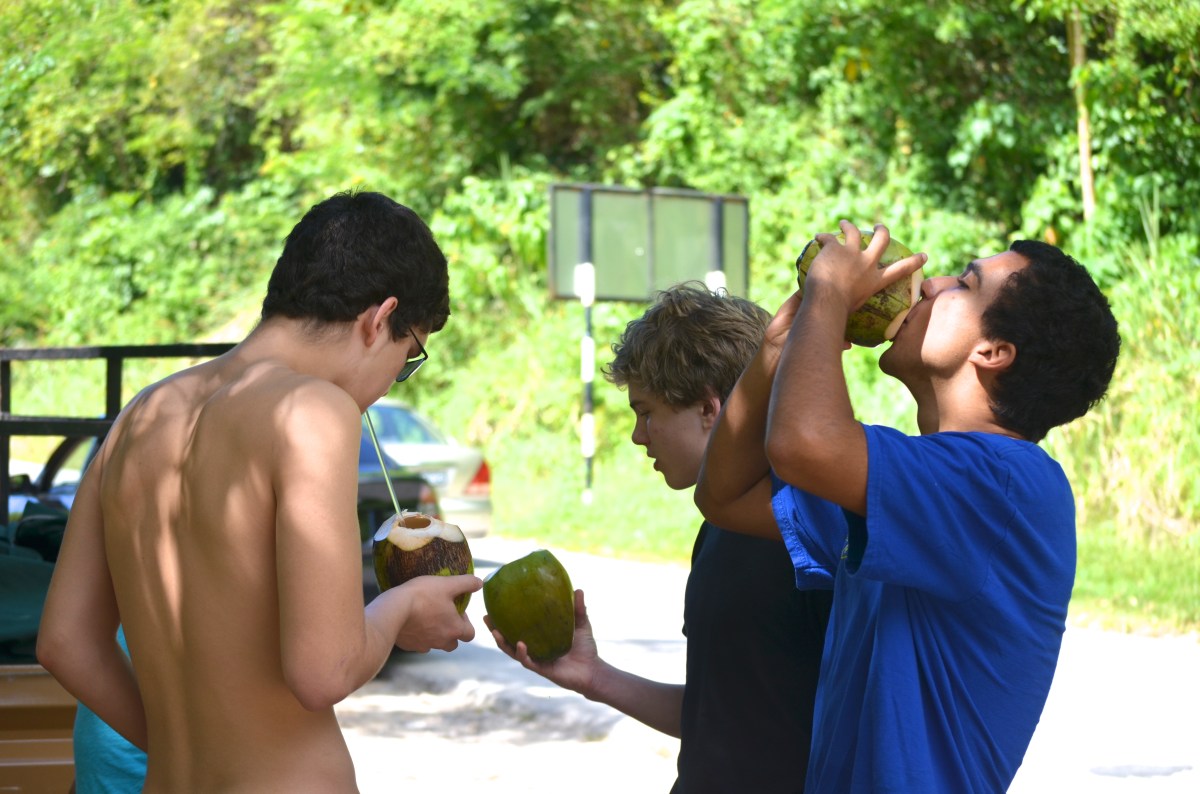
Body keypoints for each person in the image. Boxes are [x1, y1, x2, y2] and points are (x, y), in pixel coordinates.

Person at [37, 190, 481, 792]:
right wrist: (402, 608)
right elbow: (324, 670)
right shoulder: (313, 409)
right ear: (380, 320)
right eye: (407, 357)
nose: (385, 388)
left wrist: (178, 743)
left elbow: (65, 642)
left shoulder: (141, 414)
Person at [695, 222, 1121, 792]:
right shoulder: (912, 491)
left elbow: (803, 444)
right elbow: (724, 497)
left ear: (993, 352)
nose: (933, 283)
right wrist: (776, 348)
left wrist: (828, 295)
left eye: (965, 284)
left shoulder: (1007, 486)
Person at [486, 281, 835, 793]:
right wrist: (594, 676)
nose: (637, 435)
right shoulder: (719, 529)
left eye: (646, 412)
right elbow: (717, 713)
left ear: (709, 409)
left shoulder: (814, 530)